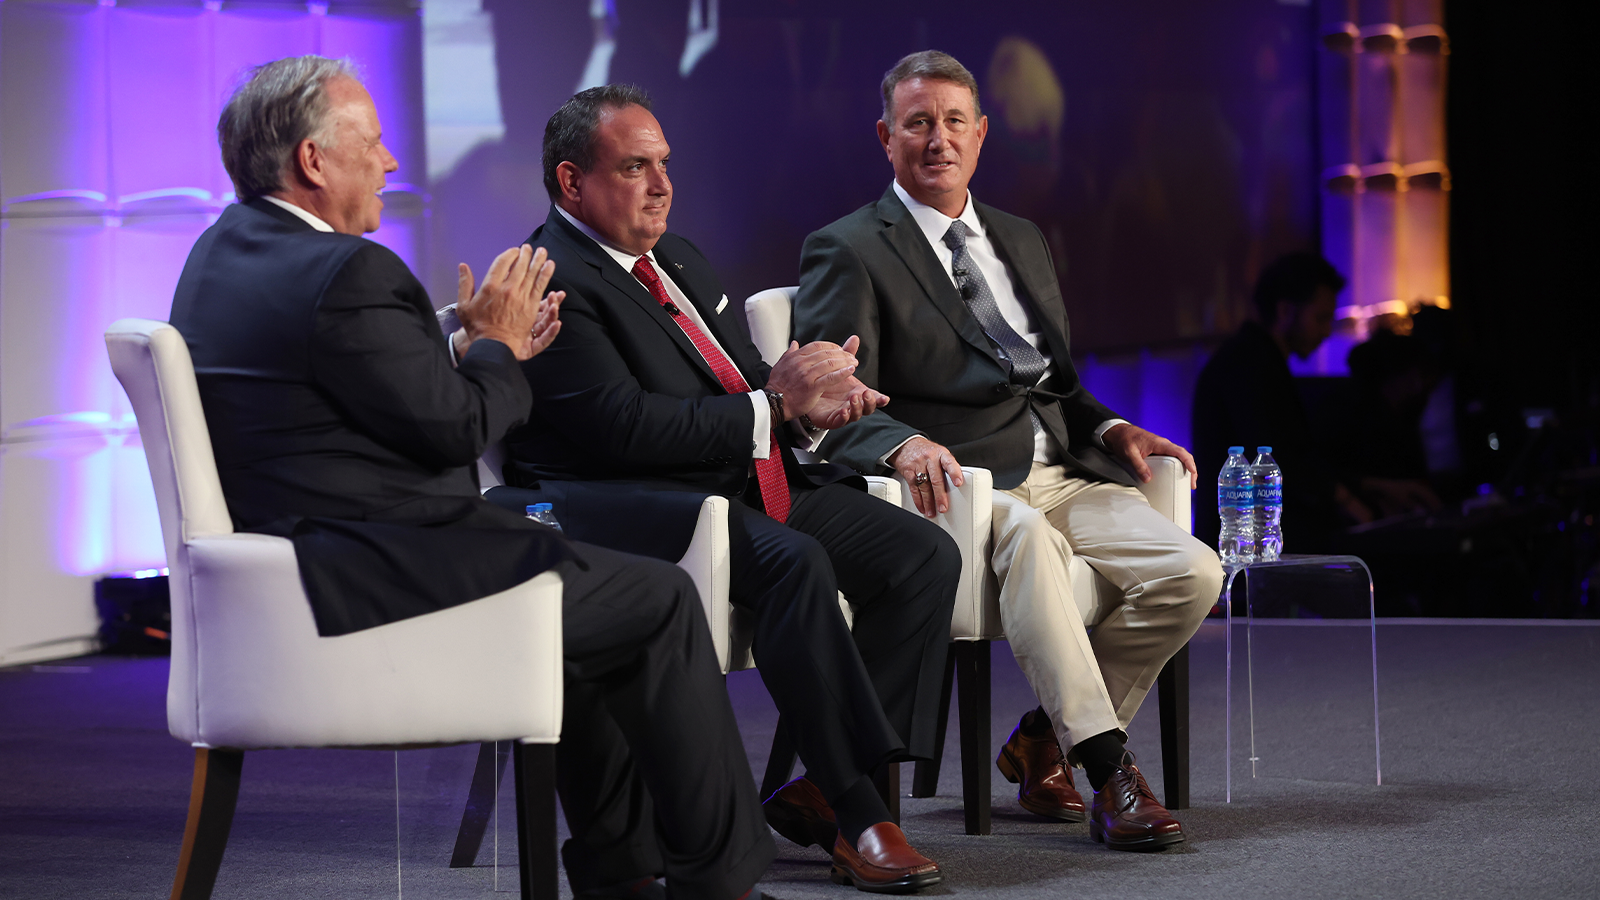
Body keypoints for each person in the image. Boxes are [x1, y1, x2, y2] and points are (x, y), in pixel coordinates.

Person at [168, 57, 773, 900]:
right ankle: (721, 884)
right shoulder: (351, 272)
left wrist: (461, 349)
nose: (389, 164)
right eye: (373, 145)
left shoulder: (219, 253)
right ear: (313, 161)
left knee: (591, 596)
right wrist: (497, 345)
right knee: (658, 601)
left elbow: (342, 392)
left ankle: (623, 873)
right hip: (372, 562)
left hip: (294, 550)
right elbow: (460, 428)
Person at [501, 84, 958, 893]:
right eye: (634, 167)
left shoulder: (674, 260)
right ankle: (858, 811)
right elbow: (625, 430)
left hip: (732, 483)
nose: (661, 184)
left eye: (665, 164)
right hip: (626, 504)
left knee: (920, 555)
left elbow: (745, 389)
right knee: (795, 563)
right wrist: (774, 403)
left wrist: (811, 411)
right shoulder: (553, 281)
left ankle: (825, 788)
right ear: (572, 183)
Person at [793, 50, 1223, 852]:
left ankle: (1040, 743)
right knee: (1029, 547)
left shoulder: (1022, 238)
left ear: (982, 134)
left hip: (1061, 471)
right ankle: (1107, 772)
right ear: (885, 137)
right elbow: (831, 402)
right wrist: (905, 442)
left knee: (1195, 570)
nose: (938, 139)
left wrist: (1109, 428)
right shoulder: (847, 247)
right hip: (959, 488)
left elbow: (1056, 378)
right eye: (917, 123)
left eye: (955, 121)